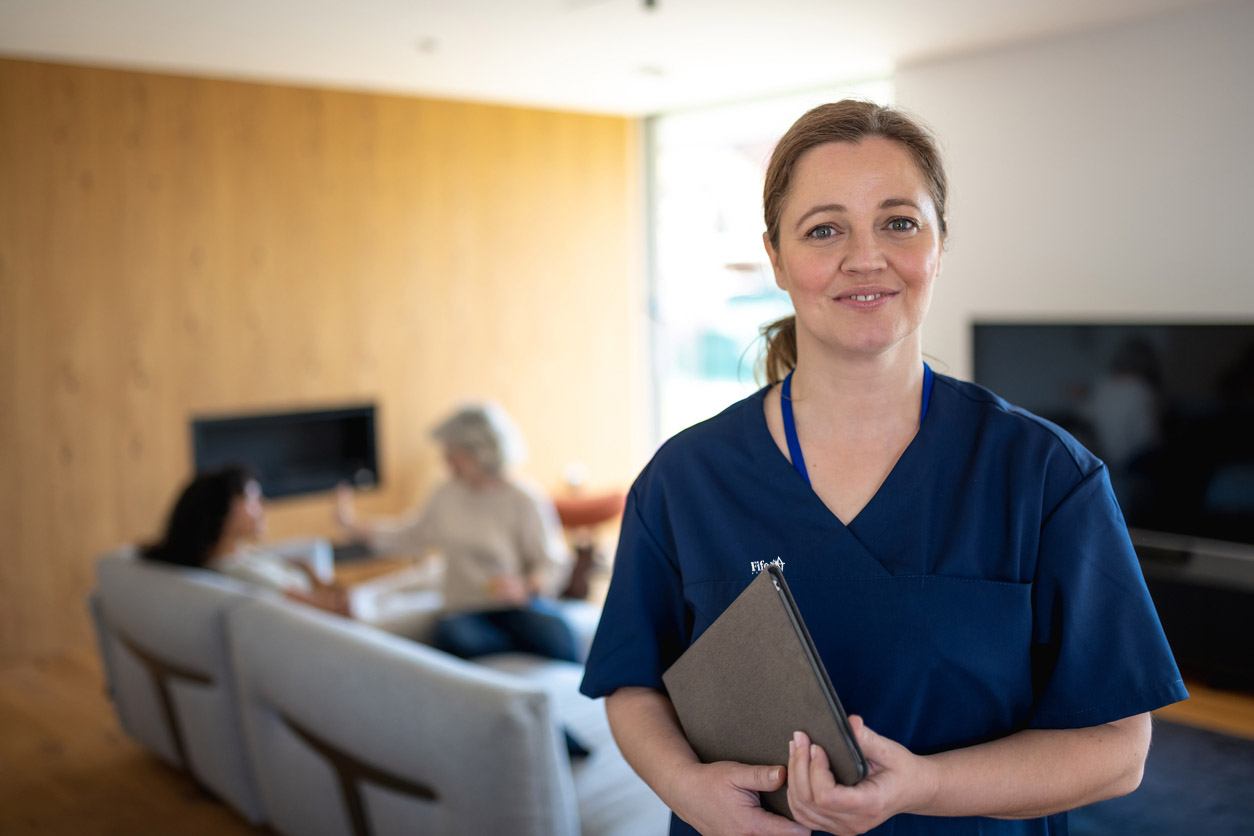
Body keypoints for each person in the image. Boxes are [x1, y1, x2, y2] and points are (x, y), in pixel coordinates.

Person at [579, 100, 1187, 836]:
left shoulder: (1045, 477)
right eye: (824, 229)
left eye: (898, 222)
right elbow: (632, 683)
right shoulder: (687, 479)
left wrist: (925, 785)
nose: (865, 257)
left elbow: (1119, 751)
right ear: (775, 257)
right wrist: (685, 789)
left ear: (939, 242)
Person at [335, 403, 579, 663]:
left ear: (481, 451)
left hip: (517, 606)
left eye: (454, 452)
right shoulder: (446, 495)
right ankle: (513, 652)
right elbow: (411, 534)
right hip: (464, 609)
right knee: (453, 635)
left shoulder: (524, 499)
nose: (447, 461)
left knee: (559, 633)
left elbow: (551, 562)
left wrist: (526, 586)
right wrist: (354, 526)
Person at [142, 465, 351, 615]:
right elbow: (332, 609)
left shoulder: (234, 555)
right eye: (252, 501)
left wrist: (308, 569)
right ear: (221, 512)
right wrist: (328, 587)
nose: (263, 507)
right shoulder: (242, 574)